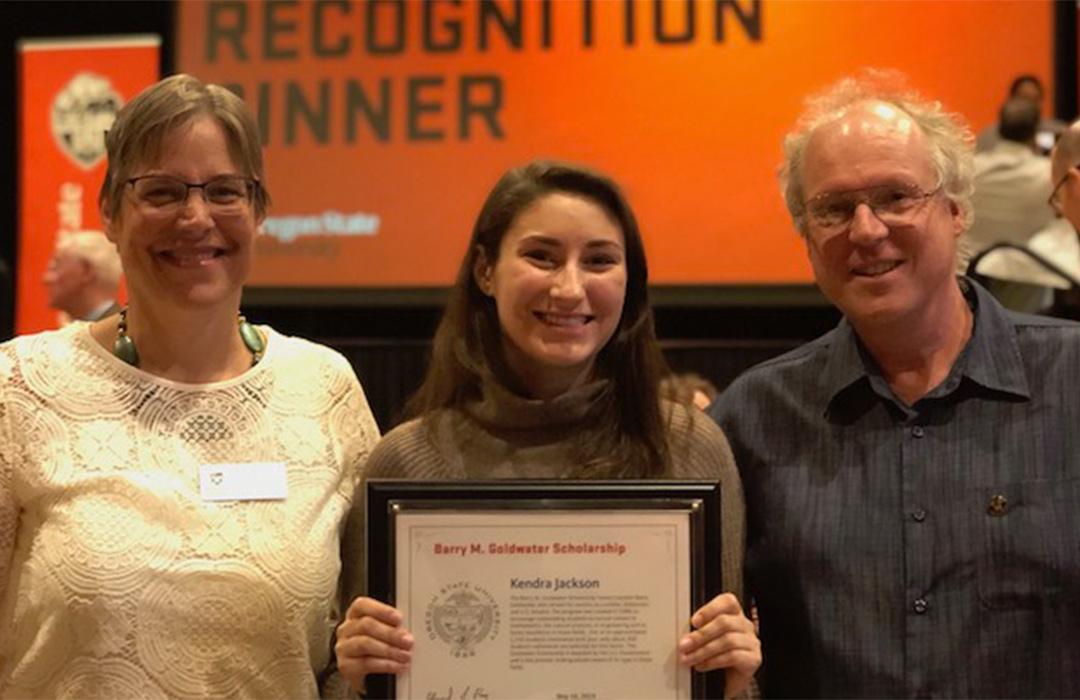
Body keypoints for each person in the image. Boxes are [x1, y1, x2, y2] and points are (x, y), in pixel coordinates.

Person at [0, 74, 380, 698]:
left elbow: (350, 656)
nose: (196, 217)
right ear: (110, 216)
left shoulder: (325, 389)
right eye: (163, 192)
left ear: (259, 213)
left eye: (225, 191)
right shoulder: (21, 388)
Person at [709, 70, 1080, 697]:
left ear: (958, 210)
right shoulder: (750, 420)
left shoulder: (1072, 382)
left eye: (895, 197)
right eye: (832, 208)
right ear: (806, 235)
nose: (866, 230)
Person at [334, 161, 759, 697]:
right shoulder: (409, 461)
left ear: (630, 283)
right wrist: (355, 677)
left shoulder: (689, 447)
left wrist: (735, 679)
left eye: (600, 260)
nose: (569, 287)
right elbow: (360, 687)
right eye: (542, 256)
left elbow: (724, 685)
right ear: (485, 271)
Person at [960, 97, 1056, 312]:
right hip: (1024, 295)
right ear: (1035, 132)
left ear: (999, 128)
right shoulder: (1049, 174)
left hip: (969, 286)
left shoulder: (969, 168)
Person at [42, 229, 122, 321]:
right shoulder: (120, 326)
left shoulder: (121, 332)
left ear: (86, 271)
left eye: (56, 267)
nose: (46, 279)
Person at [975, 74, 1065, 155]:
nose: (1030, 105)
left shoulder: (1059, 134)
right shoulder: (989, 136)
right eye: (1024, 99)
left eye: (1035, 99)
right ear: (1011, 100)